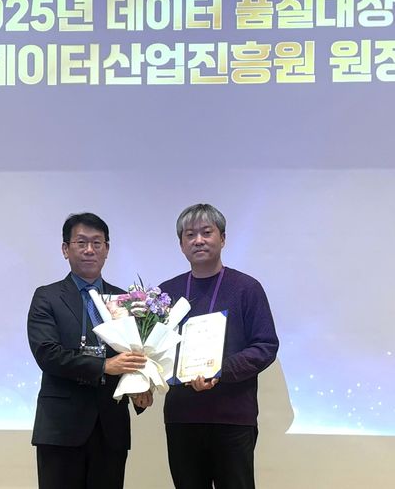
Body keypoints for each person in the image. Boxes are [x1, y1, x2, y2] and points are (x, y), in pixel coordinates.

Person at [27, 212, 153, 489]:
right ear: (65, 249)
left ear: (107, 249)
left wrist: (140, 388)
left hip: (110, 428)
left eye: (97, 243)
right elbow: (47, 354)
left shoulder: (125, 301)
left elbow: (136, 352)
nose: (89, 250)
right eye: (81, 242)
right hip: (61, 428)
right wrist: (104, 366)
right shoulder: (47, 296)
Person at [160, 204, 279, 489]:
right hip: (182, 417)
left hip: (232, 416)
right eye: (190, 235)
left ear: (222, 238)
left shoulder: (247, 288)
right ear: (181, 244)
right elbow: (155, 348)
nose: (198, 240)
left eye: (206, 232)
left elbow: (265, 345)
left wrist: (219, 370)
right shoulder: (166, 293)